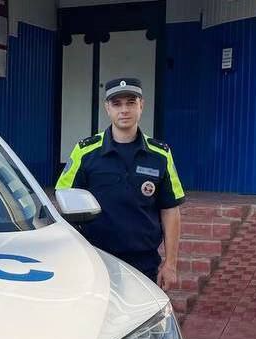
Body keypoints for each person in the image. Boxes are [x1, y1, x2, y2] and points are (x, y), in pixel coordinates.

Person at [56, 77, 184, 289]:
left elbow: (170, 210)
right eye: (117, 104)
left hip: (144, 264)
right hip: (96, 259)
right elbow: (64, 200)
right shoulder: (85, 152)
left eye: (131, 103)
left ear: (141, 105)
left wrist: (170, 264)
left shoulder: (160, 154)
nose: (124, 110)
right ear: (107, 108)